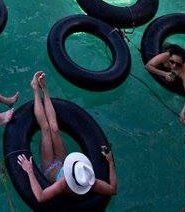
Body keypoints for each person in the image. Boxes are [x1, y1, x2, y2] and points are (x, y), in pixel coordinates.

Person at [14, 71, 118, 202]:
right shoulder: (89, 181)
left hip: (50, 168)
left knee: (46, 129)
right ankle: (45, 89)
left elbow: (40, 197)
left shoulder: (62, 183)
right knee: (55, 129)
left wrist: (29, 171)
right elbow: (112, 189)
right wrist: (110, 162)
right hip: (62, 162)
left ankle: (35, 88)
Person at [144, 44, 185, 125]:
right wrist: (164, 73)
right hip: (168, 62)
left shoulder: (183, 71)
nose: (174, 65)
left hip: (182, 65)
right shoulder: (166, 55)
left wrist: (183, 113)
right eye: (172, 62)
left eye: (178, 64)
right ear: (169, 57)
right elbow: (147, 66)